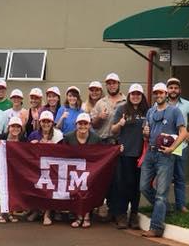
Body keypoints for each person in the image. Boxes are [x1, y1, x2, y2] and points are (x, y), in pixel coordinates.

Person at [139, 82, 185, 238]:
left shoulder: (175, 111)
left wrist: (172, 148)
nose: (159, 95)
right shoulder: (150, 112)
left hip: (166, 155)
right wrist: (145, 133)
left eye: (161, 93)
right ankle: (165, 208)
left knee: (161, 192)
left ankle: (156, 227)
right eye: (156, 93)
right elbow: (147, 134)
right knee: (144, 186)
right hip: (150, 153)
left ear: (166, 94)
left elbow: (183, 132)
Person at [109, 83, 148, 229]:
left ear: (141, 95)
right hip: (125, 153)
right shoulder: (122, 109)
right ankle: (121, 215)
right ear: (129, 95)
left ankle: (134, 215)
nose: (136, 96)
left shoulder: (147, 111)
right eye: (133, 94)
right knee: (123, 185)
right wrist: (120, 123)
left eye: (138, 94)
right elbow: (112, 130)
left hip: (140, 154)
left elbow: (150, 131)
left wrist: (147, 133)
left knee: (136, 186)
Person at [166, 77, 189, 214]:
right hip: (166, 147)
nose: (173, 90)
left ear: (179, 90)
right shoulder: (162, 104)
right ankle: (163, 205)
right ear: (167, 90)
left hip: (181, 146)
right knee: (164, 177)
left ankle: (181, 205)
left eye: (176, 88)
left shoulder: (187, 104)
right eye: (171, 88)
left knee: (180, 176)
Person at [92, 72, 125, 220]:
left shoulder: (126, 101)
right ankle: (101, 207)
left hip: (118, 144)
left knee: (118, 179)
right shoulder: (100, 103)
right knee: (103, 177)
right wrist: (99, 117)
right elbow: (93, 124)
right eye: (109, 83)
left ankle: (116, 211)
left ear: (119, 84)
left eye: (114, 83)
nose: (112, 85)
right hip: (103, 143)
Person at [61, 112, 101, 228]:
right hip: (73, 170)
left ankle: (87, 216)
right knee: (76, 190)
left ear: (89, 125)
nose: (83, 126)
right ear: (76, 125)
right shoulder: (68, 137)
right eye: (80, 124)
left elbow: (102, 153)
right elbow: (61, 152)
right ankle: (78, 216)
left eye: (85, 124)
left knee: (87, 189)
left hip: (90, 170)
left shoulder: (96, 138)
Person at [28, 109, 63, 225]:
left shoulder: (58, 135)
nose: (46, 124)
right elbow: (25, 152)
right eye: (43, 121)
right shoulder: (33, 134)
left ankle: (47, 214)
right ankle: (36, 210)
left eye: (48, 121)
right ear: (40, 122)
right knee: (34, 187)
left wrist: (54, 146)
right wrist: (31, 145)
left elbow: (64, 152)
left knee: (48, 189)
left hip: (52, 168)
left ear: (52, 123)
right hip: (36, 166)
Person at [0, 115, 26, 224]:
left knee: (13, 191)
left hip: (16, 170)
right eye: (13, 126)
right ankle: (0, 213)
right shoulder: (2, 137)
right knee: (3, 191)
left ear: (21, 129)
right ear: (9, 127)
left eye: (18, 127)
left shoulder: (23, 140)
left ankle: (11, 213)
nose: (15, 129)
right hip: (3, 169)